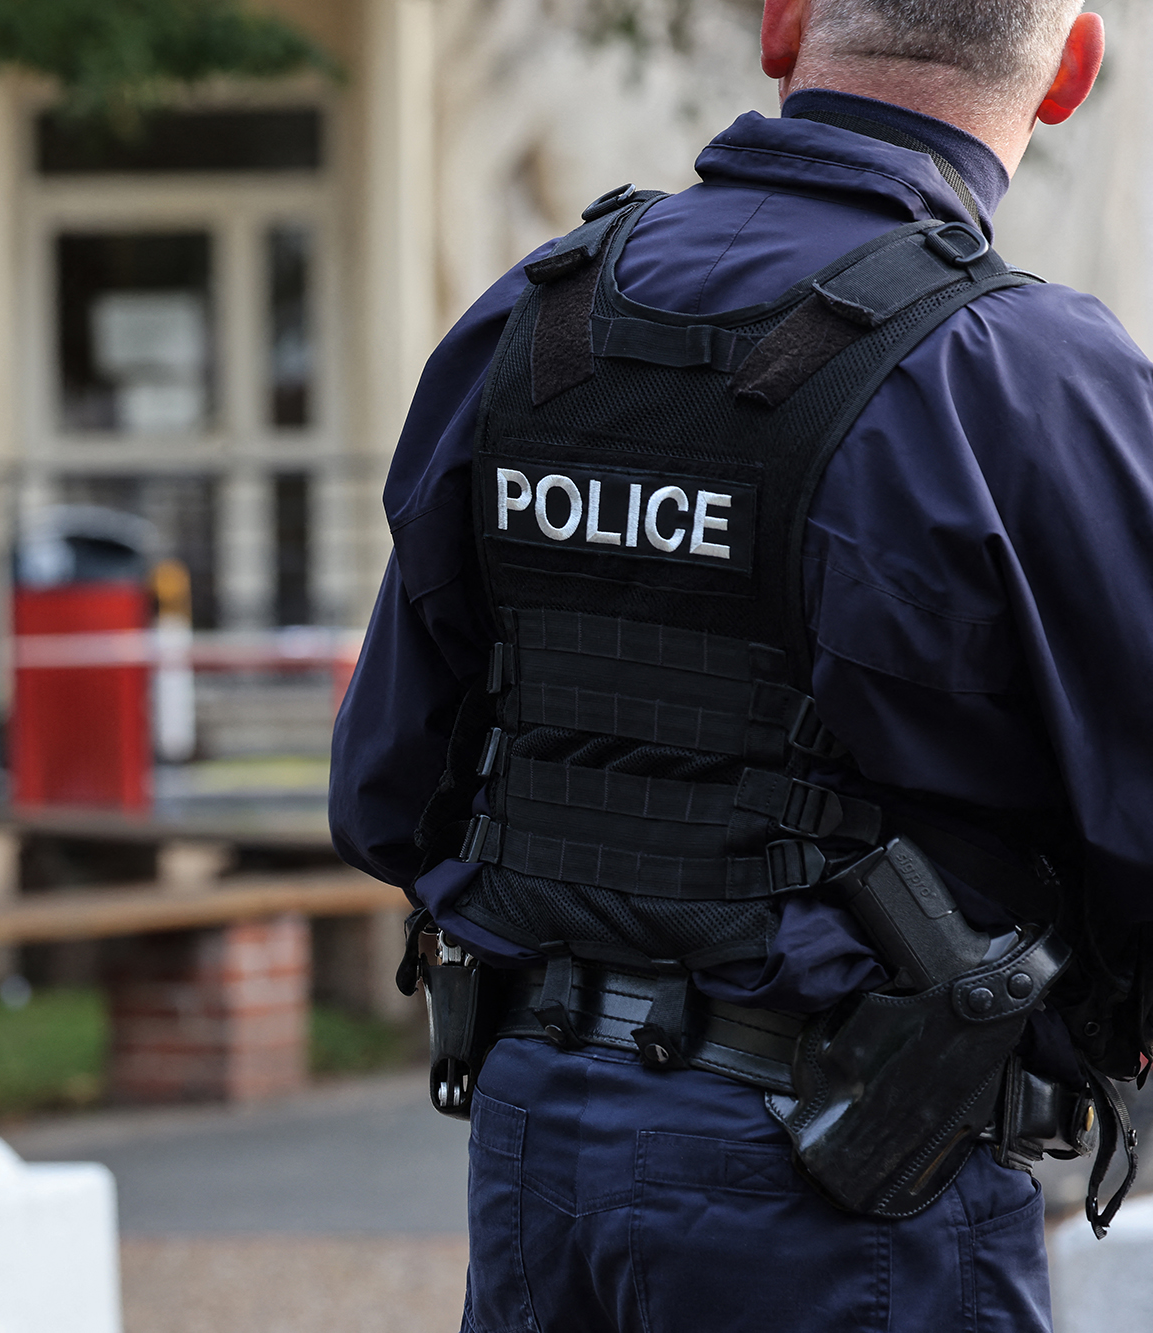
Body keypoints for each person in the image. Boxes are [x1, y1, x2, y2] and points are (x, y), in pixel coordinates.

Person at [330, 0, 1148, 1327]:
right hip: (852, 1180)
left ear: (783, 28)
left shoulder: (536, 323)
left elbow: (385, 788)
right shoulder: (1032, 378)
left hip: (543, 1148)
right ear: (1070, 71)